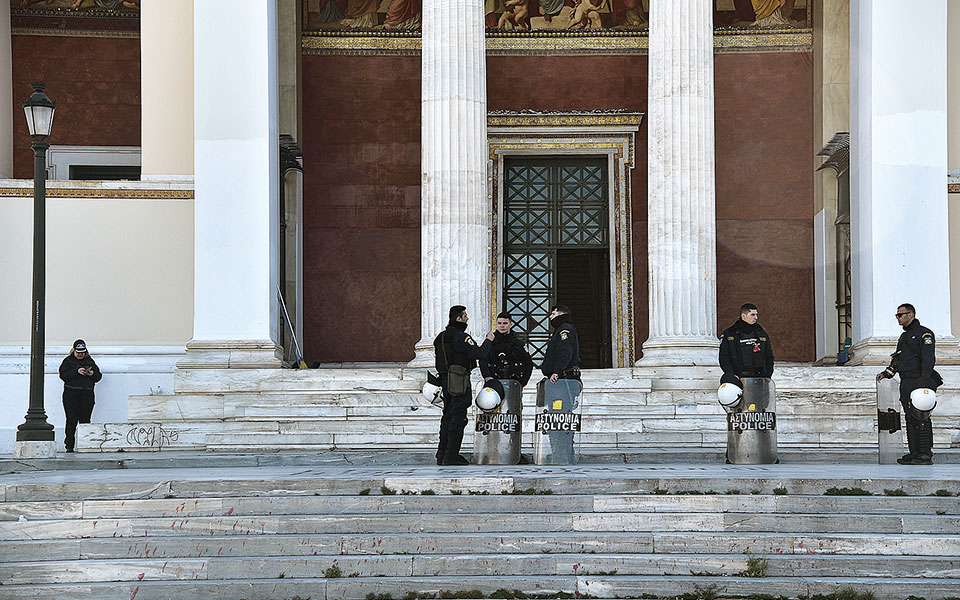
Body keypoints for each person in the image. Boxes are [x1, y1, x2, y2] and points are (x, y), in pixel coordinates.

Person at [876, 303, 938, 465]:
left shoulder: (924, 334)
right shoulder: (904, 336)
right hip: (906, 381)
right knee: (910, 417)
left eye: (900, 315)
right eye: (897, 315)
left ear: (910, 315)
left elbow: (928, 359)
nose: (898, 318)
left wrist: (924, 381)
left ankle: (925, 453)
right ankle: (914, 452)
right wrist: (886, 374)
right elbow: (898, 359)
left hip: (919, 381)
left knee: (921, 416)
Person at [433, 305, 493, 466]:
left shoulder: (440, 337)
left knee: (447, 416)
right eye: (465, 315)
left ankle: (442, 453)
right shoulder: (461, 337)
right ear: (458, 318)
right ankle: (451, 455)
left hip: (445, 380)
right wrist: (488, 340)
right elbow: (479, 354)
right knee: (458, 417)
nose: (467, 318)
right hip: (458, 380)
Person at [58, 339, 102, 453]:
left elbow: (98, 377)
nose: (80, 354)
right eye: (78, 352)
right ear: (74, 351)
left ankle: (84, 445)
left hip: (87, 394)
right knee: (71, 420)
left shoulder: (90, 361)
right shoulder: (68, 361)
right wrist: (76, 371)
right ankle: (69, 446)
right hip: (71, 394)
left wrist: (92, 374)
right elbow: (63, 375)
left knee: (85, 420)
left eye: (82, 352)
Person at [719, 303, 775, 380]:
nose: (756, 317)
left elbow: (769, 356)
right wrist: (731, 375)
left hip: (760, 378)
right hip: (739, 377)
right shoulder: (730, 334)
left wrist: (767, 375)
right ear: (743, 316)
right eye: (752, 315)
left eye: (756, 315)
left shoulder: (761, 333)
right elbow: (724, 357)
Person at [480, 311, 534, 386]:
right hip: (494, 381)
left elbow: (528, 363)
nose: (502, 326)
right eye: (499, 323)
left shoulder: (518, 343)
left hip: (514, 382)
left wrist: (523, 382)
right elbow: (483, 360)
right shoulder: (491, 341)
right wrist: (487, 376)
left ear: (510, 324)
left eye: (505, 323)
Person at [540, 305, 581, 383]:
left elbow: (565, 352)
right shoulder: (559, 329)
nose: (550, 317)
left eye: (553, 314)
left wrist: (557, 372)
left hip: (564, 378)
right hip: (559, 378)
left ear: (561, 315)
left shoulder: (565, 329)